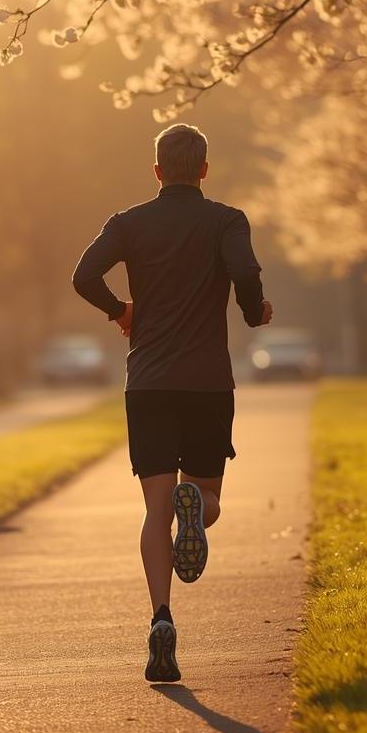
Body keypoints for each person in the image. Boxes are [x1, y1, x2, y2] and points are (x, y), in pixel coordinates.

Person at [71, 124, 273, 682]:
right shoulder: (226, 220)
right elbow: (244, 272)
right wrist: (253, 311)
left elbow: (83, 275)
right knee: (207, 498)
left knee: (155, 509)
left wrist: (121, 311)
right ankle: (197, 510)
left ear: (157, 170)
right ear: (204, 170)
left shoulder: (128, 223)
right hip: (206, 382)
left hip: (149, 385)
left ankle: (161, 618)